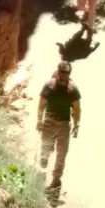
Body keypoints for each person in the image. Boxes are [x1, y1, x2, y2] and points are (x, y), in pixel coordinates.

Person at [37, 61, 81, 192]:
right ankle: (41, 173)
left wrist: (76, 125)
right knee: (45, 150)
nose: (64, 75)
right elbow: (41, 105)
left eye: (67, 72)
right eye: (62, 72)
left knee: (61, 155)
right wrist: (39, 120)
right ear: (58, 71)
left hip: (64, 125)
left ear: (69, 73)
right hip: (49, 122)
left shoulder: (72, 89)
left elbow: (76, 108)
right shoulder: (49, 86)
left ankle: (56, 181)